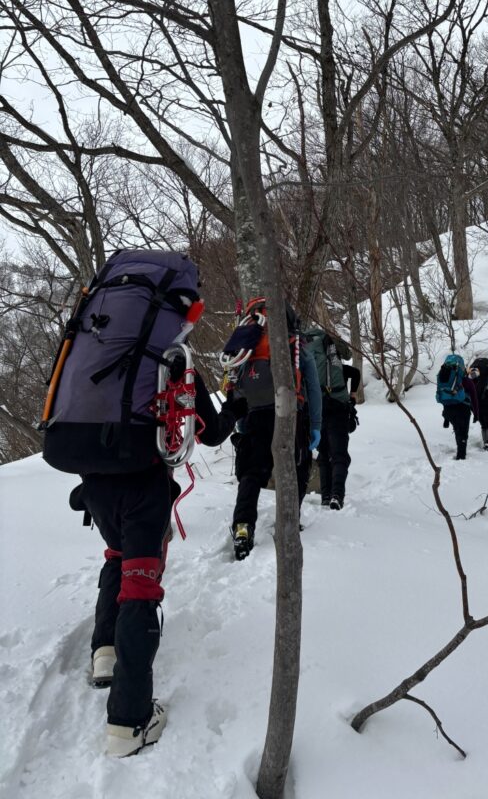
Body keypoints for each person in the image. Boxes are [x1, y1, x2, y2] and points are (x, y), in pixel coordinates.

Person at [41, 249, 241, 758]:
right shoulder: (172, 360)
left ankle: (104, 652)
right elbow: (211, 432)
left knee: (116, 556)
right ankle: (129, 723)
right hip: (143, 481)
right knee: (141, 586)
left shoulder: (92, 343)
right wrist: (235, 407)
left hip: (92, 475)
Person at [227, 300, 322, 559]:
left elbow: (236, 387)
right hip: (291, 412)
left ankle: (243, 525)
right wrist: (316, 425)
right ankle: (289, 521)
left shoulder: (247, 346)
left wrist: (242, 424)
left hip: (255, 414)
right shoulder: (295, 343)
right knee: (296, 467)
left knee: (251, 473)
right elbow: (313, 385)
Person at [303, 329, 360, 510]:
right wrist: (352, 396)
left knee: (324, 454)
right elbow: (355, 371)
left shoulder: (306, 351)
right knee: (339, 454)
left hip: (317, 409)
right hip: (338, 407)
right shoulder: (335, 359)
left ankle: (326, 496)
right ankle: (337, 495)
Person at [436, 353, 479, 460]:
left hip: (448, 411)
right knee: (463, 433)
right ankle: (461, 457)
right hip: (463, 410)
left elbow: (445, 396)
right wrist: (476, 414)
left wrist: (446, 419)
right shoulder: (467, 381)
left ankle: (460, 452)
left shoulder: (444, 378)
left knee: (457, 429)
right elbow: (474, 399)